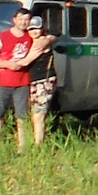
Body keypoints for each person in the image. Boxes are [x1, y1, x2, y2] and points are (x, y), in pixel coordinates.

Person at [0, 7, 37, 150]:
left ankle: (22, 146)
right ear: (14, 20)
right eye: (21, 19)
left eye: (26, 20)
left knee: (22, 115)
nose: (23, 22)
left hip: (22, 81)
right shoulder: (3, 37)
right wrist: (7, 64)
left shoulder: (31, 36)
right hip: (1, 81)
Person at [24, 15, 59, 145]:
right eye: (31, 29)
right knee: (34, 113)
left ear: (42, 29)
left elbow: (26, 61)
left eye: (37, 29)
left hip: (43, 81)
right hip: (32, 81)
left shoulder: (41, 42)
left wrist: (6, 64)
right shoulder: (33, 41)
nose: (34, 31)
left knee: (39, 114)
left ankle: (38, 144)